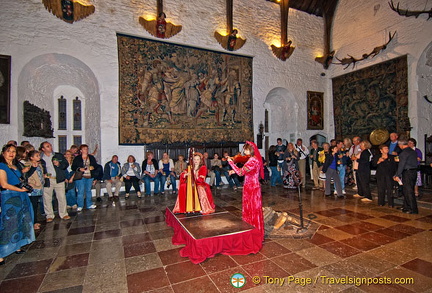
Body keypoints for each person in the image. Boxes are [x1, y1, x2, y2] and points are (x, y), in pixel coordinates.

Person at [0, 144, 35, 265]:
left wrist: (24, 187)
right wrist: (20, 190)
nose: (11, 153)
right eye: (8, 151)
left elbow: (20, 180)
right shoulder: (1, 166)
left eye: (14, 151)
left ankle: (17, 245)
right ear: (3, 153)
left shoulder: (14, 166)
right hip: (9, 196)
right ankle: (1, 253)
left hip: (21, 196)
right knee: (8, 223)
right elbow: (4, 184)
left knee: (21, 220)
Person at [228, 141, 264, 241]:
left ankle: (253, 231)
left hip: (251, 187)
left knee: (251, 209)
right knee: (252, 209)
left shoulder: (253, 160)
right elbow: (246, 171)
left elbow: (240, 173)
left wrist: (231, 163)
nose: (244, 151)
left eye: (246, 149)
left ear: (251, 150)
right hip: (252, 186)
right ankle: (252, 229)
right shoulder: (253, 159)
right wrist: (233, 170)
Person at [40, 141, 70, 221]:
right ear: (43, 149)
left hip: (58, 179)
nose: (50, 147)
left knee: (61, 197)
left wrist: (59, 165)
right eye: (47, 146)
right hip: (48, 180)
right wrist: (42, 175)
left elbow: (66, 164)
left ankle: (63, 214)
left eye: (50, 145)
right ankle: (49, 215)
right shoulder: (40, 158)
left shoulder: (58, 155)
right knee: (47, 198)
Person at [394, 139, 419, 214]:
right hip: (413, 171)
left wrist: (397, 174)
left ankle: (412, 209)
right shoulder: (413, 151)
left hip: (408, 172)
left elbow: (402, 165)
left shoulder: (404, 153)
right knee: (407, 190)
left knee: (408, 191)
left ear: (401, 145)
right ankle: (406, 206)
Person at [72, 144, 98, 211]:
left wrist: (93, 168)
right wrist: (79, 169)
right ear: (81, 150)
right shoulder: (77, 158)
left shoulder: (91, 157)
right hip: (81, 176)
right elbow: (73, 167)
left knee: (88, 191)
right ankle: (80, 205)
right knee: (80, 191)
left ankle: (89, 204)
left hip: (89, 176)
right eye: (84, 149)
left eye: (87, 149)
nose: (86, 150)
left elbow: (96, 166)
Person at [26, 150, 46, 230]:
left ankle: (35, 221)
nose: (39, 157)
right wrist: (32, 183)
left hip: (39, 187)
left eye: (39, 155)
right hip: (33, 188)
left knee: (36, 205)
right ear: (31, 157)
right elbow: (27, 175)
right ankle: (33, 222)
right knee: (33, 205)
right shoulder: (28, 165)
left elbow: (40, 174)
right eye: (37, 156)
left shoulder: (39, 165)